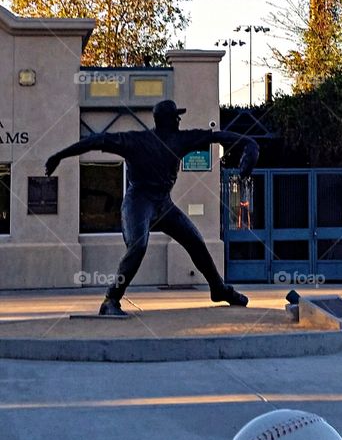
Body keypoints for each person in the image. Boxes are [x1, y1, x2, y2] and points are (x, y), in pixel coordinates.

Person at [46, 99, 259, 318]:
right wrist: (59, 156)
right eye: (176, 116)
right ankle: (111, 299)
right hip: (138, 201)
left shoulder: (180, 139)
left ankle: (219, 289)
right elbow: (95, 140)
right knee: (138, 246)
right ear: (169, 120)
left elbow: (217, 137)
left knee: (195, 241)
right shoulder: (138, 140)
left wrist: (250, 144)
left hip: (163, 203)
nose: (179, 120)